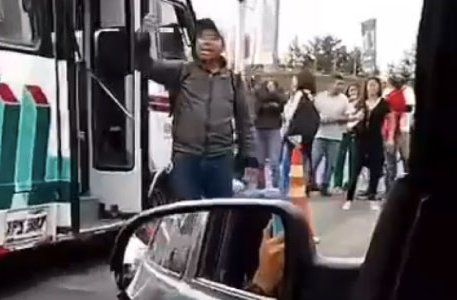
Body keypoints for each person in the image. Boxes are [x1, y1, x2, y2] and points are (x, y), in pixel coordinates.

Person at [135, 14, 256, 200]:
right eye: (201, 38)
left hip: (220, 160)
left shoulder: (234, 80)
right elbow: (145, 66)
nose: (206, 43)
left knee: (219, 213)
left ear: (222, 45)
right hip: (186, 159)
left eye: (213, 38)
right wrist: (143, 37)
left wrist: (248, 155)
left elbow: (244, 122)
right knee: (186, 213)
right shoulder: (182, 70)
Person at [343, 77, 389, 211]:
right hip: (360, 138)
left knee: (375, 168)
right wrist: (357, 118)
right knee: (355, 168)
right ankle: (349, 198)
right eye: (370, 85)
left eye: (375, 85)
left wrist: (389, 137)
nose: (372, 88)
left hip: (376, 139)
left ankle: (372, 197)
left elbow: (388, 121)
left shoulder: (383, 104)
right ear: (366, 87)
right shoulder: (360, 103)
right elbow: (349, 120)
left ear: (379, 88)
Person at [311, 75, 354, 197]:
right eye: (338, 83)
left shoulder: (344, 100)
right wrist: (320, 119)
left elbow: (348, 116)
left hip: (335, 135)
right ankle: (309, 182)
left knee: (331, 163)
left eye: (342, 84)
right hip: (319, 134)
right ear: (330, 84)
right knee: (314, 160)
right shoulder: (320, 98)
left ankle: (325, 185)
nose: (340, 87)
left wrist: (335, 119)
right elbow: (313, 113)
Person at [281, 71, 321, 193]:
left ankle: (291, 187)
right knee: (304, 159)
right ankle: (304, 185)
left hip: (295, 133)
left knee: (291, 161)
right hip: (308, 134)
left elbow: (289, 114)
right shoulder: (312, 96)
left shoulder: (299, 95)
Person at [382, 76, 414, 194]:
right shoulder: (387, 91)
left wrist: (395, 109)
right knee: (390, 161)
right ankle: (389, 190)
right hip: (388, 129)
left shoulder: (408, 91)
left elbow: (409, 107)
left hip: (403, 129)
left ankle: (408, 189)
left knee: (406, 158)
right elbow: (383, 108)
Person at [254, 79, 287, 190]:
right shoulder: (258, 94)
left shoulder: (279, 94)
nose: (270, 87)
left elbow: (282, 103)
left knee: (274, 160)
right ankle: (260, 184)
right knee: (260, 160)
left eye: (273, 85)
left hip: (274, 129)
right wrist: (272, 103)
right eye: (268, 85)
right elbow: (257, 108)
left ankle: (276, 185)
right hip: (260, 129)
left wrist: (269, 101)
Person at [332, 83, 362, 191]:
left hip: (354, 131)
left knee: (353, 158)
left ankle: (350, 183)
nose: (352, 92)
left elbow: (360, 117)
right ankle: (337, 183)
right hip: (343, 132)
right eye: (351, 90)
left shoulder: (361, 104)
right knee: (340, 157)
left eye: (355, 90)